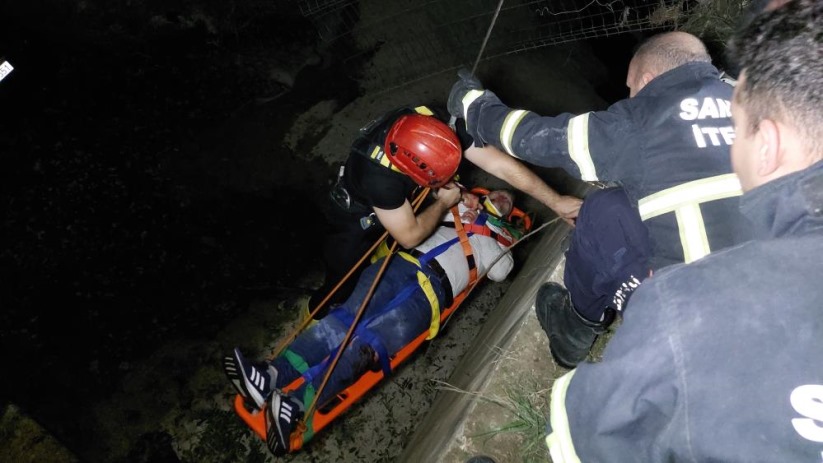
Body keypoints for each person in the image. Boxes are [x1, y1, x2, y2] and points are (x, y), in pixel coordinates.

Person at [545, 1, 823, 460]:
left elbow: (584, 434)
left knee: (604, 213)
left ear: (768, 145)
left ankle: (575, 328)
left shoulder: (682, 311)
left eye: (737, 125)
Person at [448, 31, 751, 368]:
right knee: (622, 203)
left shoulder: (638, 122)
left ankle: (575, 327)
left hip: (703, 329)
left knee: (600, 212)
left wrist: (473, 106)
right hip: (793, 281)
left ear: (648, 79)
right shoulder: (758, 101)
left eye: (632, 88)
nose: (630, 97)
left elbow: (532, 137)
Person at [225, 189, 524, 456]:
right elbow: (426, 210)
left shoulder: (499, 245)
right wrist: (460, 202)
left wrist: (491, 227)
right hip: (398, 266)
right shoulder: (455, 209)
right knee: (340, 322)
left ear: (506, 216)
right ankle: (271, 377)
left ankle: (296, 404)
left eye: (506, 202)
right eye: (497, 194)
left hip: (429, 297)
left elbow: (501, 272)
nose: (501, 198)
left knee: (366, 348)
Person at [310, 105, 581, 319]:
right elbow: (410, 236)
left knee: (382, 263)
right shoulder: (379, 179)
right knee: (341, 280)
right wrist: (443, 203)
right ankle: (317, 314)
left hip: (398, 201)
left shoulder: (438, 121)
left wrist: (555, 201)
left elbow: (499, 165)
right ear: (414, 171)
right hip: (354, 219)